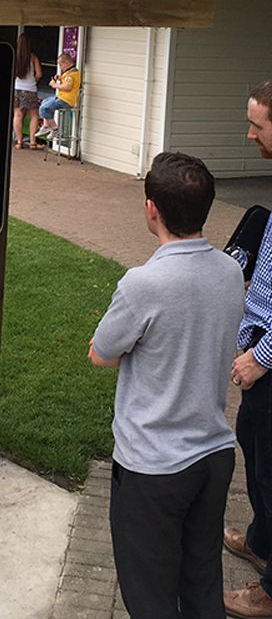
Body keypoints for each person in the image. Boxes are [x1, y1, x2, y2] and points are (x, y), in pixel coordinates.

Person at [89, 151, 245, 619]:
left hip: (153, 468)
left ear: (151, 208)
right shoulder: (230, 270)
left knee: (150, 593)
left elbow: (101, 353)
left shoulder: (143, 283)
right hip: (213, 455)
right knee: (201, 582)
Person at [224, 80, 272, 619]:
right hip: (259, 342)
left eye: (258, 124)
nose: (250, 133)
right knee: (255, 450)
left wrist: (262, 357)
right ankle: (262, 539)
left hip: (269, 356)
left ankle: (268, 594)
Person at [36, 52, 80, 139]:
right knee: (45, 101)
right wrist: (60, 78)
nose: (60, 67)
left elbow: (67, 87)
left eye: (61, 65)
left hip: (66, 100)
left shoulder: (71, 74)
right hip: (62, 98)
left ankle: (55, 129)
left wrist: (54, 85)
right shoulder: (71, 73)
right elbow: (68, 81)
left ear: (66, 63)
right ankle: (46, 126)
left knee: (44, 108)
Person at [12, 32, 43, 149]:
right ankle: (32, 142)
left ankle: (19, 142)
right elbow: (39, 73)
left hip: (17, 89)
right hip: (30, 89)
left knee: (18, 115)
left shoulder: (15, 56)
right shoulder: (33, 57)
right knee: (34, 115)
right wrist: (33, 80)